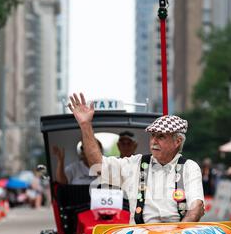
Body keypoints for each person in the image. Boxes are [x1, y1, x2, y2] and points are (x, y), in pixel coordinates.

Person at [68, 92, 205, 224]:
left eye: (161, 136)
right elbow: (98, 165)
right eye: (152, 135)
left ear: (177, 141)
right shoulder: (135, 164)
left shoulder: (189, 167)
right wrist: (85, 125)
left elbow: (196, 207)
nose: (154, 141)